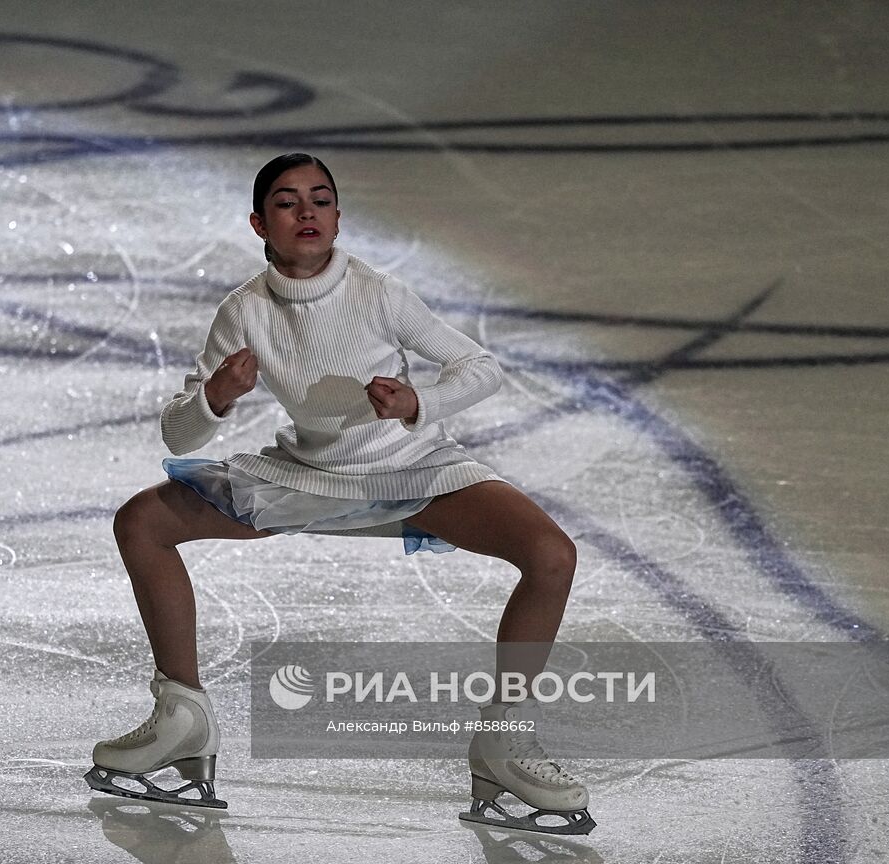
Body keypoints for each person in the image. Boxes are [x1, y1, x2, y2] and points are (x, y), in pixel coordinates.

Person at [84, 153, 592, 834]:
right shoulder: (245, 310)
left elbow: (481, 367)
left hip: (415, 474)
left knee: (551, 555)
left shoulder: (379, 292)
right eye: (290, 203)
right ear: (261, 222)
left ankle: (504, 740)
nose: (308, 214)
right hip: (308, 478)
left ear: (338, 216)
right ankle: (182, 719)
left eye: (321, 200)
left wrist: (419, 400)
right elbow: (180, 433)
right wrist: (215, 396)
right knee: (142, 521)